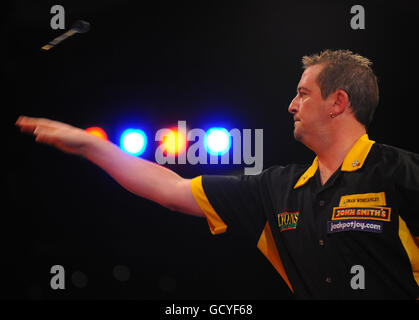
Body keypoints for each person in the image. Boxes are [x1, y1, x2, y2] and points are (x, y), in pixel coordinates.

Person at [16, 49, 419, 299]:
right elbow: (170, 188)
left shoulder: (403, 173)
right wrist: (92, 146)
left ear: (338, 102)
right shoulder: (275, 188)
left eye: (303, 93)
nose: (291, 105)